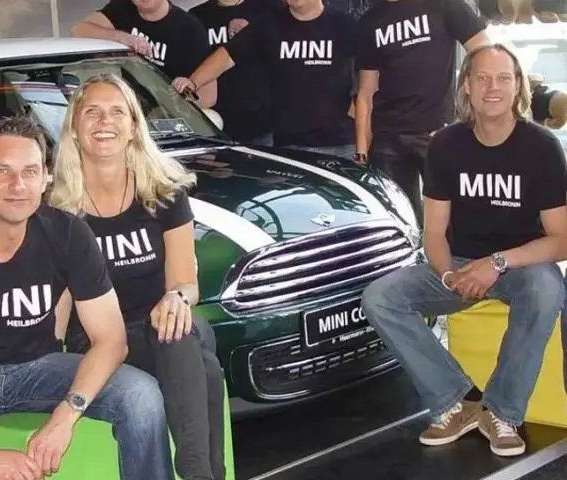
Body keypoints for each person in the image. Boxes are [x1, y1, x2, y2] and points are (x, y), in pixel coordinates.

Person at [0, 115, 173, 480]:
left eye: (30, 172)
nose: (18, 185)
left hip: (38, 368)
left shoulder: (67, 233)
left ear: (46, 179)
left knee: (140, 395)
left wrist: (65, 417)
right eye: (3, 171)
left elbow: (111, 341)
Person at [361, 44, 567, 458]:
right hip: (458, 264)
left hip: (519, 266)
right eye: (482, 78)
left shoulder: (542, 147)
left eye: (503, 78)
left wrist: (497, 263)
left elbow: (561, 239)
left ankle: (502, 412)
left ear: (518, 87)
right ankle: (457, 400)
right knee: (380, 297)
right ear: (466, 87)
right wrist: (448, 275)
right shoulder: (446, 144)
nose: (493, 87)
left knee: (547, 289)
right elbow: (434, 233)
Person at [47, 73, 226, 480]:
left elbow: (185, 284)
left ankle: (196, 472)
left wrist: (176, 298)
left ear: (133, 127)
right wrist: (45, 361)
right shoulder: (57, 205)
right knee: (206, 370)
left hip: (160, 326)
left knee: (176, 328)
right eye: (92, 112)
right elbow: (58, 302)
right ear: (74, 128)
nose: (104, 122)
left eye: (117, 112)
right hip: (97, 339)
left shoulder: (164, 192)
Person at [354, 0, 490, 227]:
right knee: (401, 222)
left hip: (437, 132)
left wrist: (474, 113)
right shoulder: (371, 20)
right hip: (388, 137)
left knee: (454, 218)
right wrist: (361, 149)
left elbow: (485, 54)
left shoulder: (443, 4)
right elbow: (365, 93)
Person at [172, 0, 359, 160]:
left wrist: (362, 141)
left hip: (341, 144)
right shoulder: (268, 24)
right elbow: (228, 56)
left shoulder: (345, 25)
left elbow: (367, 75)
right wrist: (193, 82)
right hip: (288, 145)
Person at [71, 0, 217, 108]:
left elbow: (208, 97)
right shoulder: (122, 8)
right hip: (129, 109)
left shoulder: (190, 29)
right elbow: (79, 30)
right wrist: (123, 37)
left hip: (168, 116)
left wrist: (181, 96)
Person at [188, 0, 279, 146]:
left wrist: (252, 33)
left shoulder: (269, 8)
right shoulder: (197, 16)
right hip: (214, 123)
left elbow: (286, 57)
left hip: (261, 123)